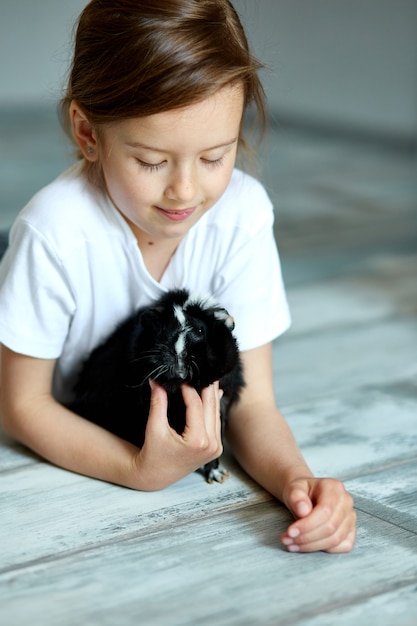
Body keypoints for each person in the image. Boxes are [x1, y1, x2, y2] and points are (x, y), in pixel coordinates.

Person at [0, 0, 356, 553]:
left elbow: (253, 403)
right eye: (151, 162)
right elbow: (22, 405)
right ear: (87, 133)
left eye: (215, 156)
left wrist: (296, 481)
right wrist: (137, 468)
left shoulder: (242, 214)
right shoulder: (54, 233)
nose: (185, 192)